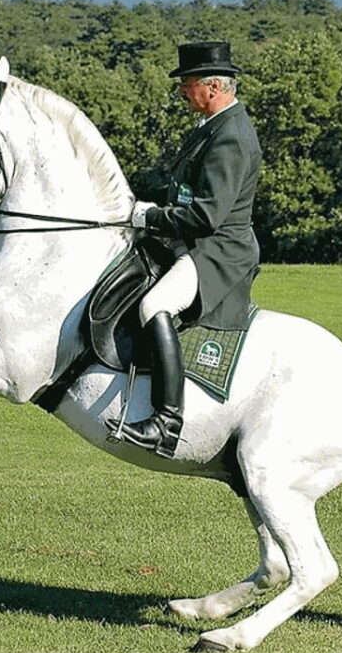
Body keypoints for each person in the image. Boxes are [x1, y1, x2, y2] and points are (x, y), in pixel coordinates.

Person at [107, 41, 262, 459]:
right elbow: (184, 191)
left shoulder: (230, 136)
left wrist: (149, 217)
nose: (181, 91)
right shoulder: (212, 126)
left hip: (217, 250)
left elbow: (207, 216)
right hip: (193, 241)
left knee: (153, 305)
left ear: (213, 86)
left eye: (187, 83)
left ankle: (166, 422)